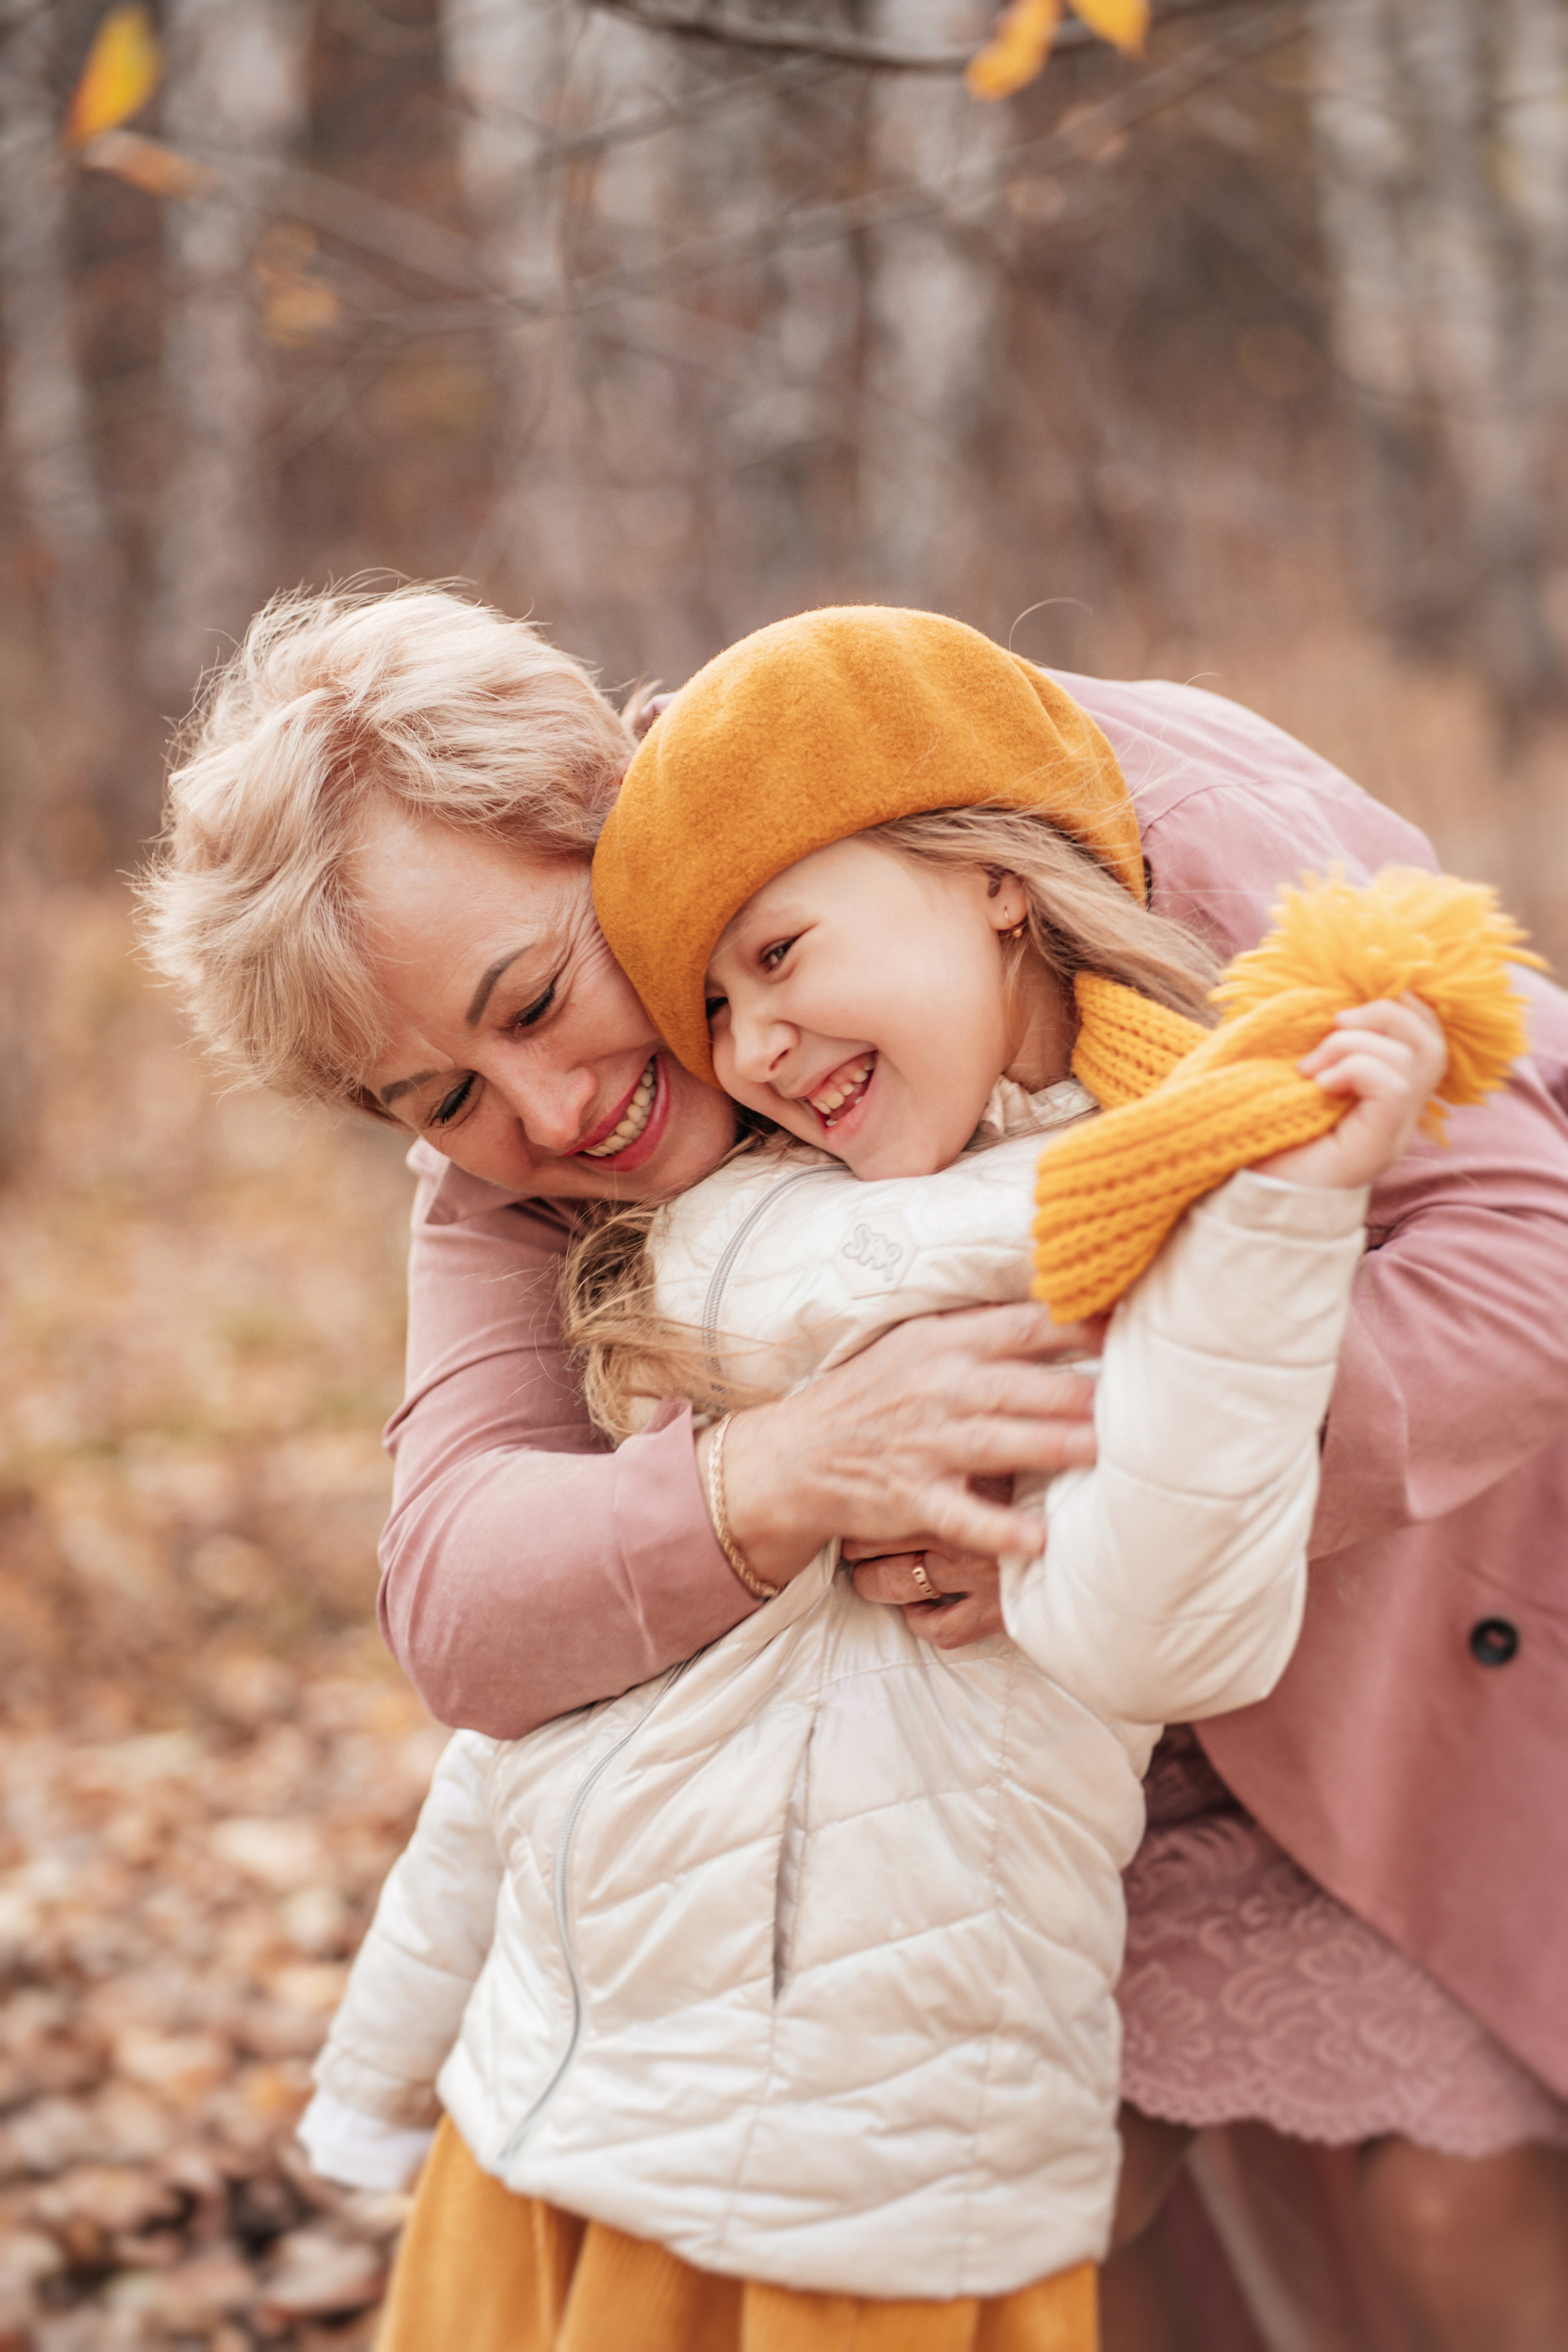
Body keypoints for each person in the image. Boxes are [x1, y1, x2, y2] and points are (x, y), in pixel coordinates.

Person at [141, 588, 1568, 2350]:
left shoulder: (1083, 804)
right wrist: (770, 1479)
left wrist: (1086, 1473)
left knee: (1442, 2205)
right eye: (436, 1097)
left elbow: (1528, 1241)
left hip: (1400, 1651)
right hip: (996, 1816)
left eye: (542, 994)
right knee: (988, 2223)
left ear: (620, 826)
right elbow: (458, 1588)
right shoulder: (504, 1145)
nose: (548, 1111)